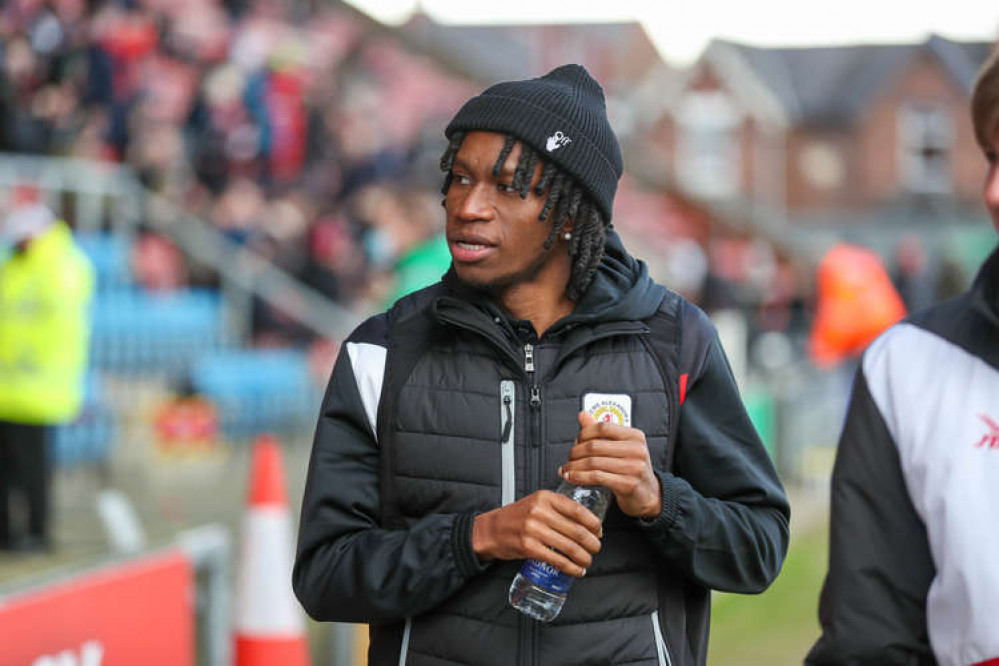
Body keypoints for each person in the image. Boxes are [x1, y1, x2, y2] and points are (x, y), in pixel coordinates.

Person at [293, 64, 790, 666]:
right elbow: (325, 576)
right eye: (460, 178)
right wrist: (478, 537)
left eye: (508, 186)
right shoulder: (382, 352)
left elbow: (759, 550)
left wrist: (658, 500)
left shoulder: (676, 342)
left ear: (571, 213)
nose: (468, 206)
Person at [807, 49, 999, 666]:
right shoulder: (905, 366)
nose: (993, 191)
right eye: (991, 157)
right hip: (866, 360)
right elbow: (869, 638)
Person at [0, 202, 95, 553]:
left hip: (38, 388)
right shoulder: (13, 267)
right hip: (8, 386)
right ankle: (7, 533)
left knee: (33, 468)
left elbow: (56, 326)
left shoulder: (63, 266)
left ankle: (38, 533)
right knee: (7, 469)